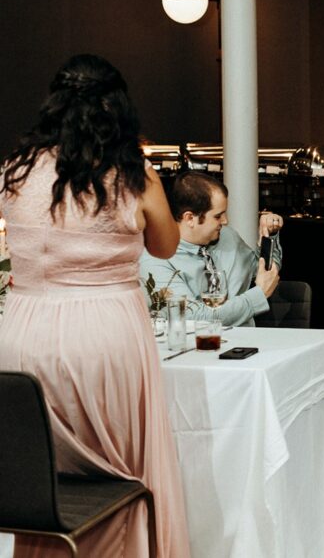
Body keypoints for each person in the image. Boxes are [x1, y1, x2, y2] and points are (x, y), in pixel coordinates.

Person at [0, 54, 190, 556]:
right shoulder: (130, 174)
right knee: (118, 473)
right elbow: (167, 246)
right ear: (117, 108)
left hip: (22, 336)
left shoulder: (16, 171)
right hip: (104, 335)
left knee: (43, 480)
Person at [139, 171, 283, 328]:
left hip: (246, 342)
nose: (225, 221)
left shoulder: (228, 237)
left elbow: (265, 273)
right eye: (217, 216)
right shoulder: (155, 258)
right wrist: (258, 296)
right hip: (193, 348)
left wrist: (269, 236)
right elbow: (194, 318)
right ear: (190, 218)